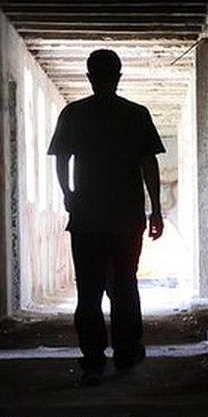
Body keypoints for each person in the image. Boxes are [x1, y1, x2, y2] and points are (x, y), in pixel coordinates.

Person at [47, 49, 166, 387]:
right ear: (118, 76)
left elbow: (60, 158)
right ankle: (127, 352)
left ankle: (93, 361)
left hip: (86, 217)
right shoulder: (136, 114)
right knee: (125, 284)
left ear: (89, 77)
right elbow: (149, 164)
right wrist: (155, 208)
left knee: (89, 290)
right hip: (127, 218)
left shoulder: (74, 114)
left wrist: (67, 193)